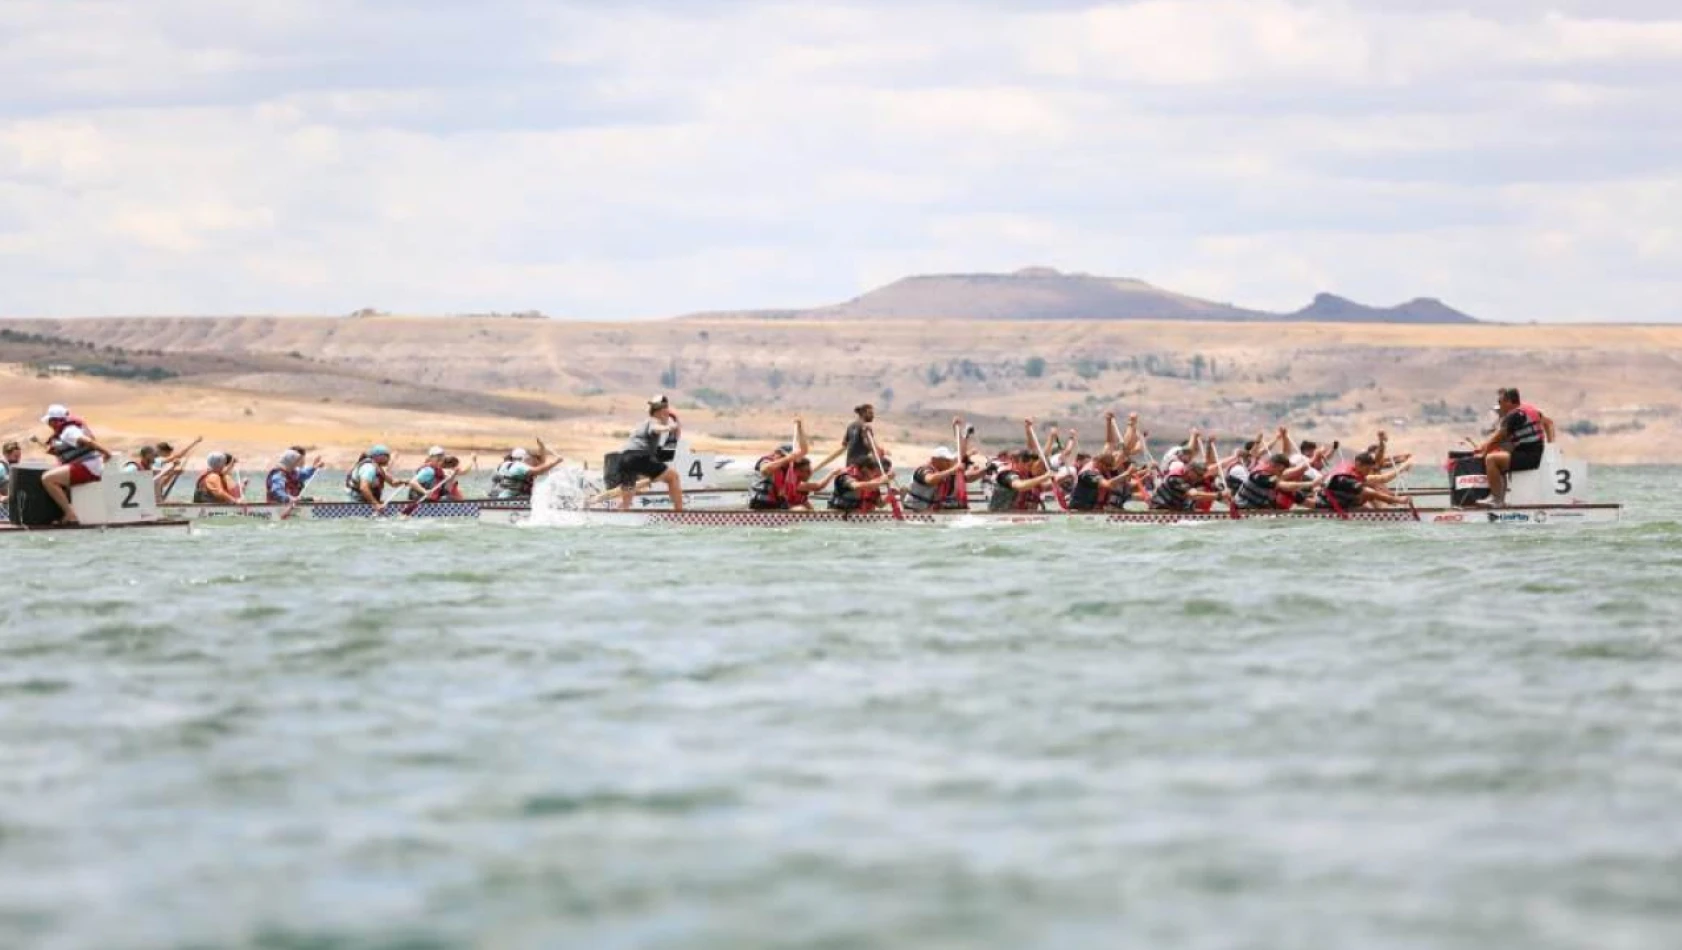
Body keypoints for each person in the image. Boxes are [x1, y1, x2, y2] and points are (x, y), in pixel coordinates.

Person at [1473, 387, 1555, 507]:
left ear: (1509, 402)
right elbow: (1549, 423)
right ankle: (1500, 498)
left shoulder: (1513, 416)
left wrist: (1483, 453)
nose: (1499, 406)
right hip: (1533, 454)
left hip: (1529, 457)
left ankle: (1497, 500)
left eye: (1500, 402)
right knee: (1498, 457)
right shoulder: (1531, 410)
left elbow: (1497, 439)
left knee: (1491, 459)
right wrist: (1551, 447)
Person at [36, 404, 112, 525]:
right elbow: (69, 452)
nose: (49, 425)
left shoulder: (68, 431)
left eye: (50, 422)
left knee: (47, 479)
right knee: (53, 474)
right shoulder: (66, 432)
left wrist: (106, 452)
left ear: (54, 421)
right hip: (87, 465)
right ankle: (65, 513)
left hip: (89, 467)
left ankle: (70, 515)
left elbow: (86, 441)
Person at [614, 396, 684, 511]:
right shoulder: (654, 421)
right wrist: (669, 427)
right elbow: (655, 428)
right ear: (661, 412)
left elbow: (665, 449)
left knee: (626, 499)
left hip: (623, 459)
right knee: (673, 477)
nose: (668, 417)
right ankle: (680, 514)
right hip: (638, 457)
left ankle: (619, 515)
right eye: (667, 414)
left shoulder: (642, 424)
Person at [1316, 437, 1411, 512]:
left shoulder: (1353, 470)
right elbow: (1370, 490)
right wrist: (1396, 499)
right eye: (1367, 469)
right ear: (1358, 464)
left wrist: (1400, 470)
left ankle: (1381, 510)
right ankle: (1394, 502)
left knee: (1372, 487)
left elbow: (1378, 481)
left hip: (1339, 497)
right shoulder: (1345, 477)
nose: (1368, 471)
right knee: (1368, 492)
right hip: (1328, 501)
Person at [1233, 453, 1319, 511]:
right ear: (1276, 466)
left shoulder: (1284, 487)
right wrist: (1311, 484)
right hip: (1241, 511)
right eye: (1282, 471)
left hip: (1260, 513)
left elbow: (1312, 504)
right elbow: (1282, 484)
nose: (1282, 473)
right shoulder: (1258, 476)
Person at [903, 446, 972, 512]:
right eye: (946, 460)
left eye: (949, 460)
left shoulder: (941, 472)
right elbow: (930, 480)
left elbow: (967, 478)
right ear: (935, 460)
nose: (948, 463)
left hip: (928, 508)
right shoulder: (923, 470)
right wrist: (953, 470)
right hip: (913, 508)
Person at [345, 445, 411, 512]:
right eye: (387, 456)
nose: (389, 458)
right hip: (357, 502)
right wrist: (376, 504)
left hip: (365, 501)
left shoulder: (378, 468)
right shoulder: (369, 468)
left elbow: (393, 483)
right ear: (379, 457)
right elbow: (364, 488)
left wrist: (403, 481)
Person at [492, 442, 562, 500]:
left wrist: (542, 447)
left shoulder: (505, 465)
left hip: (500, 498)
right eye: (530, 457)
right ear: (524, 458)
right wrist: (556, 462)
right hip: (512, 500)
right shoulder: (519, 466)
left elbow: (541, 464)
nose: (531, 459)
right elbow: (538, 470)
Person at [1148, 459, 1224, 512]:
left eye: (1202, 476)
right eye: (1199, 475)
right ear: (1190, 470)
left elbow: (1215, 467)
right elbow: (1193, 495)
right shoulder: (1175, 478)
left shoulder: (1191, 479)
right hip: (1160, 510)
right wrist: (1219, 495)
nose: (1200, 478)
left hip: (1176, 511)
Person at [827, 454, 894, 513]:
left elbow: (880, 504)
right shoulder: (846, 476)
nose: (876, 477)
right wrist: (881, 481)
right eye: (875, 474)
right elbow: (856, 486)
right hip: (839, 515)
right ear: (865, 469)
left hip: (861, 519)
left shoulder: (873, 482)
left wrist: (891, 495)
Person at [0, 440, 20, 507]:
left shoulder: (14, 467)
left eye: (19, 456)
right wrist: (1, 497)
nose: (18, 459)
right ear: (6, 455)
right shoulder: (1, 467)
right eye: (16, 456)